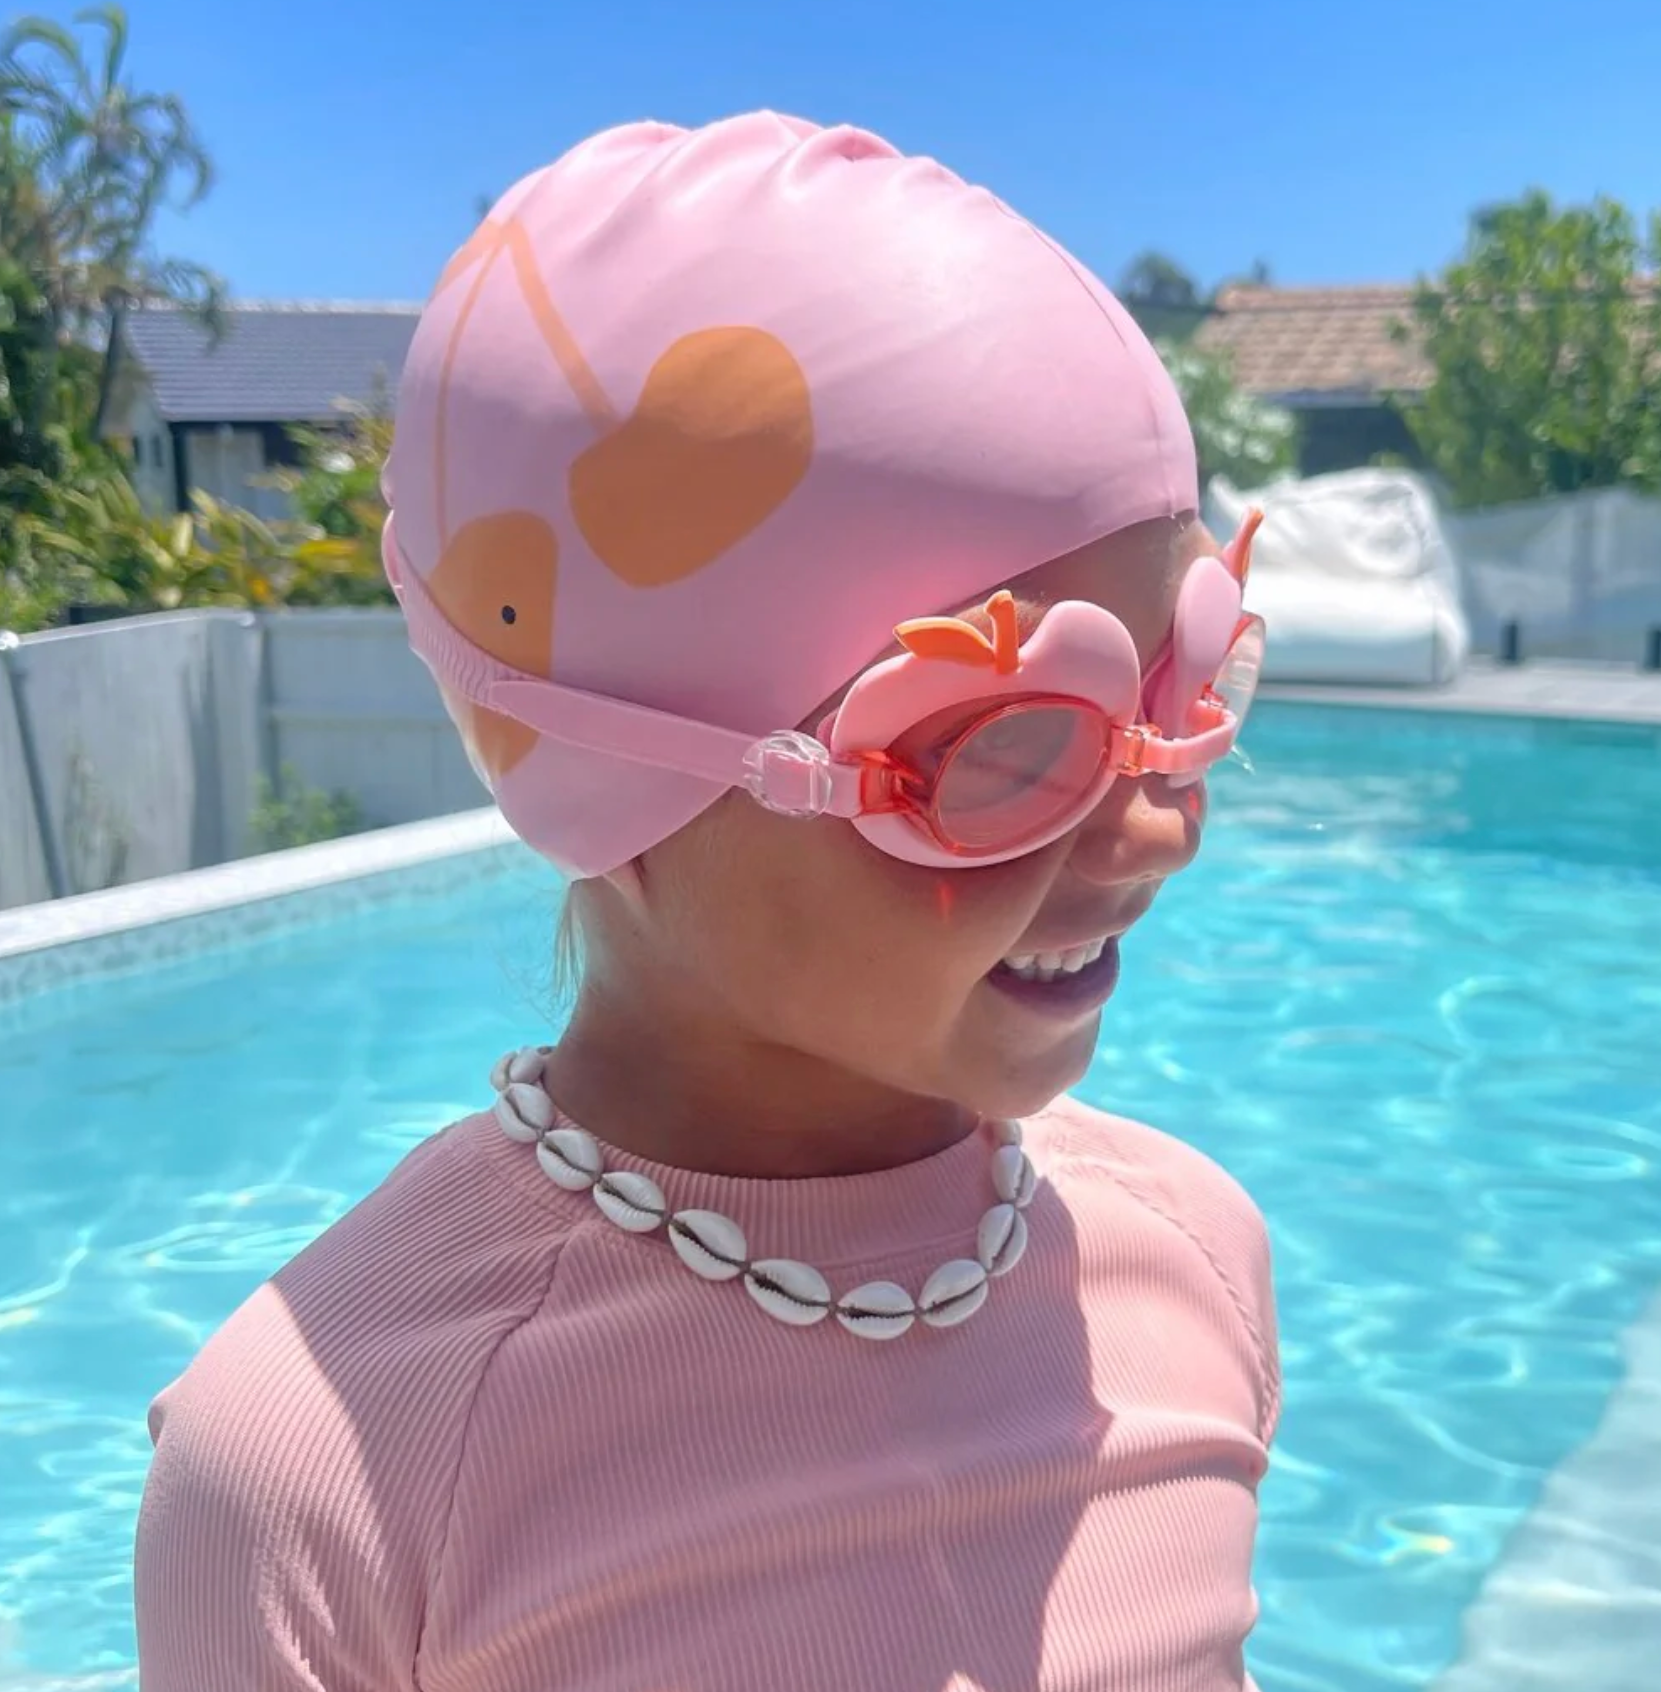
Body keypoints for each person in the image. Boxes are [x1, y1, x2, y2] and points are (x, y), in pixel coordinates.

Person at [133, 111, 1280, 1692]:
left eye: (1186, 686)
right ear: (610, 772)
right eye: (1007, 747)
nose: (1154, 829)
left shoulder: (1192, 1257)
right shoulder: (332, 1475)